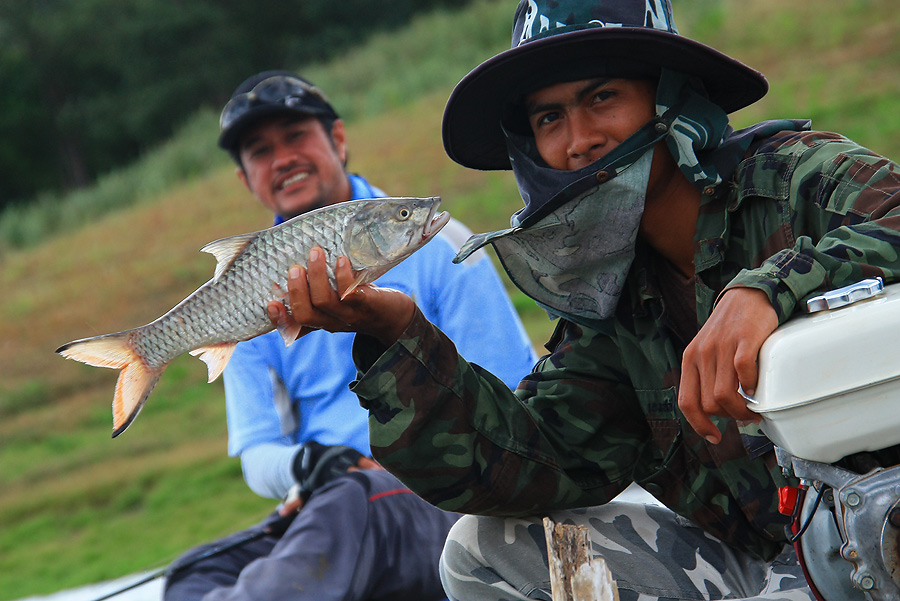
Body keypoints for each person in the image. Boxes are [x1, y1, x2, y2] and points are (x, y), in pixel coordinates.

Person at [266, 1, 900, 600]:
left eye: (603, 97)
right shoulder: (610, 306)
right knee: (483, 550)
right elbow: (526, 462)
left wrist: (767, 289)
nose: (579, 140)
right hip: (770, 565)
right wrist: (398, 337)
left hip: (882, 540)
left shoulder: (797, 179)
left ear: (668, 95)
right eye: (549, 118)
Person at [162, 70, 538, 601]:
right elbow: (257, 454)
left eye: (296, 136)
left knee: (356, 502)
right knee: (190, 577)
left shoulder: (439, 244)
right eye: (260, 151)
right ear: (247, 180)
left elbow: (510, 394)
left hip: (439, 498)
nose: (284, 158)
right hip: (327, 504)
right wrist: (313, 464)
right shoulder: (243, 290)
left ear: (337, 140)